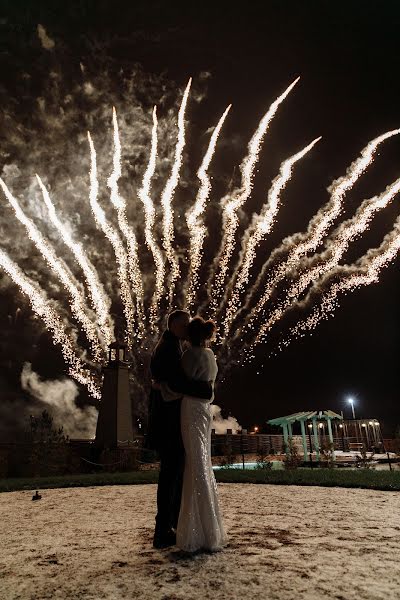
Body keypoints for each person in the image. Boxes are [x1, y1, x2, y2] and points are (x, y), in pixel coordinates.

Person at [161, 316, 228, 553]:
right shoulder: (211, 357)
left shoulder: (188, 355)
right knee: (203, 460)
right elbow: (207, 386)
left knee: (193, 462)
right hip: (205, 410)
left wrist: (161, 388)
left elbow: (180, 384)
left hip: (189, 408)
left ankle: (194, 528)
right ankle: (210, 527)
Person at [147, 310, 213, 549]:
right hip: (168, 423)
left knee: (173, 475)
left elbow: (167, 381)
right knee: (170, 476)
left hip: (169, 420)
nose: (187, 329)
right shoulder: (168, 348)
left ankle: (169, 526)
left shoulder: (169, 345)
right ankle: (163, 530)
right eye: (184, 324)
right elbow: (176, 382)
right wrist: (205, 390)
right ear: (173, 324)